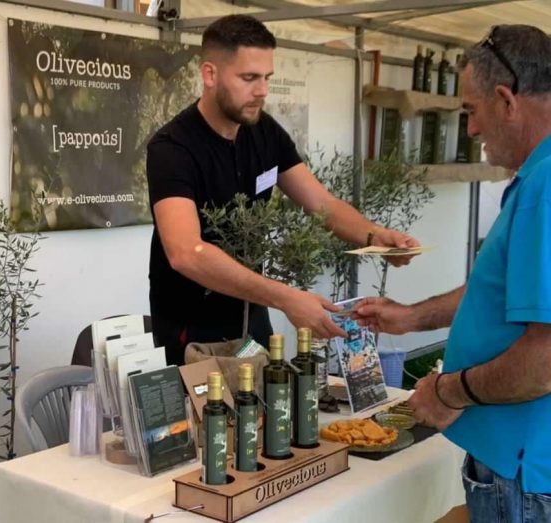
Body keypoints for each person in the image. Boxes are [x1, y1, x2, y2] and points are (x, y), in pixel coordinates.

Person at [354, 25, 551, 523]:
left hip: (525, 469)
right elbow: (502, 294)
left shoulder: (546, 185)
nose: (472, 130)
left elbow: (545, 359)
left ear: (506, 100)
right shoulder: (537, 178)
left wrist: (448, 392)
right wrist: (412, 318)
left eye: (471, 111)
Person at [146, 14, 418, 366]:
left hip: (252, 314)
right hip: (191, 329)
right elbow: (186, 252)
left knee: (267, 396)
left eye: (267, 78)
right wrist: (286, 297)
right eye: (249, 78)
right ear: (210, 74)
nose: (262, 91)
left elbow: (321, 203)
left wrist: (375, 236)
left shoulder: (265, 132)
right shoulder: (172, 148)